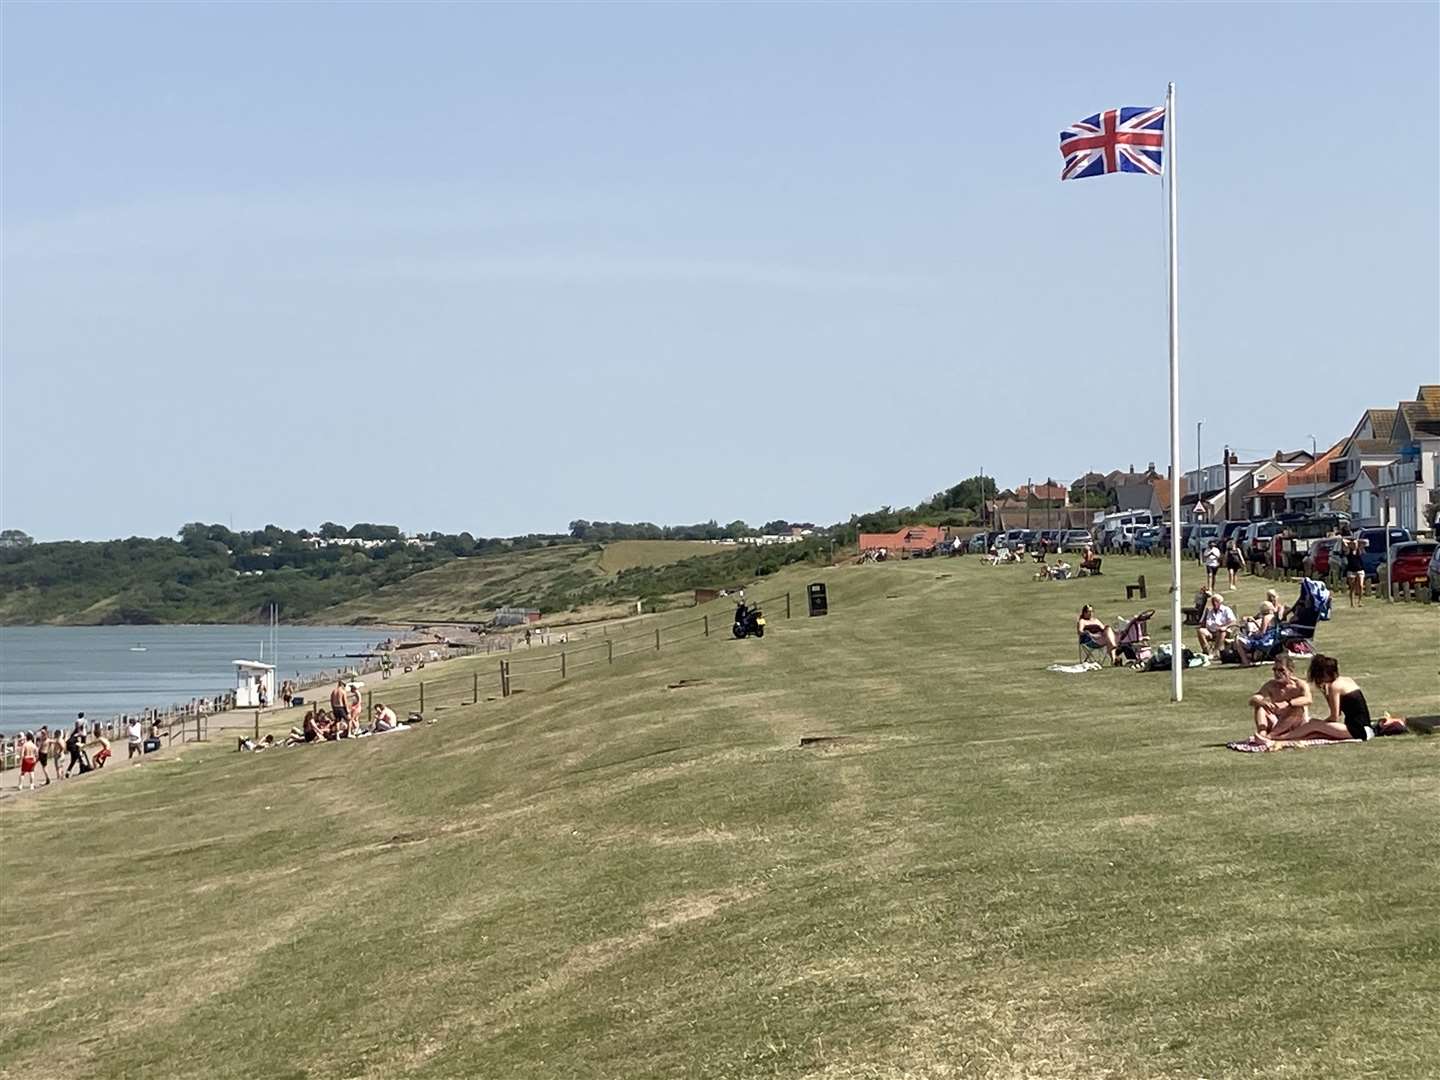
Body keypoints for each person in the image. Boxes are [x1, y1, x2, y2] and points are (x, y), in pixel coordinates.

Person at [1259, 655, 1406, 743]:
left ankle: (1277, 738)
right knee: (1315, 732)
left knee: (1313, 725)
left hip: (1356, 730)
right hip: (1364, 727)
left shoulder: (1334, 687)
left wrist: (1322, 721)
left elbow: (1335, 716)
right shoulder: (1346, 680)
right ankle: (1280, 736)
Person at [1248, 655, 1312, 739]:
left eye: (1281, 670)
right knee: (1260, 706)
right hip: (1277, 720)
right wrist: (1262, 702)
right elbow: (1253, 699)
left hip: (1295, 722)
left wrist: (1288, 703)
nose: (1277, 673)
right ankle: (1262, 733)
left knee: (1297, 707)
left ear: (1290, 671)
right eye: (1274, 670)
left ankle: (1270, 736)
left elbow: (1308, 699)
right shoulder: (1270, 685)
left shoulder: (1299, 685)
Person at [1196, 592, 1237, 658]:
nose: (1214, 603)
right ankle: (1207, 651)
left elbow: (1233, 621)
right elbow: (1202, 623)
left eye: (1216, 601)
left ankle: (1215, 652)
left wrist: (1225, 627)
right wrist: (1202, 626)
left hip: (1223, 631)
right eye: (1213, 601)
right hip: (1210, 631)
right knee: (1200, 631)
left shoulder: (1226, 610)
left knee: (1221, 631)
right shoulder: (1208, 610)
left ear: (1220, 602)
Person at [1344, 537, 1365, 608]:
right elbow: (1343, 541)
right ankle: (1352, 603)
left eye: (1355, 544)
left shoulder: (1360, 550)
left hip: (1360, 570)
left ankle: (1360, 601)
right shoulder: (1348, 551)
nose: (1354, 545)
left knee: (1361, 586)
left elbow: (1365, 542)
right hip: (1351, 571)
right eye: (1353, 544)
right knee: (1352, 587)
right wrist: (1349, 542)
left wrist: (1357, 541)